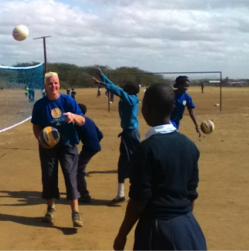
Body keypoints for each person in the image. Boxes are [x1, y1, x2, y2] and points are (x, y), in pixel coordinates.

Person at [113, 83, 207, 251]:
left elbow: (138, 200)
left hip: (157, 231)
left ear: (146, 109)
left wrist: (122, 234)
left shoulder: (146, 149)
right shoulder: (190, 145)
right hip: (190, 229)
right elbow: (191, 194)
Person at [31, 72, 85, 227]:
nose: (53, 86)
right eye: (49, 84)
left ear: (59, 84)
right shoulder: (40, 105)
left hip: (67, 145)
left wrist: (74, 117)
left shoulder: (68, 101)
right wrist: (42, 140)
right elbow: (36, 127)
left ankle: (75, 213)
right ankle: (50, 209)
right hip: (48, 148)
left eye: (55, 83)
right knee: (49, 177)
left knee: (70, 176)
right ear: (45, 86)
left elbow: (82, 121)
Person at [92, 68, 140, 205]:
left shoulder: (130, 100)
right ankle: (124, 192)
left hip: (129, 135)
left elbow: (117, 91)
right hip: (131, 133)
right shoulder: (132, 97)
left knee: (125, 163)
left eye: (125, 88)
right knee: (131, 162)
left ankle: (122, 194)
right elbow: (116, 87)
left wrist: (102, 83)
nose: (122, 88)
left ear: (129, 91)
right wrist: (102, 76)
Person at [75, 103, 103, 203]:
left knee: (79, 170)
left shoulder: (78, 122)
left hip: (89, 147)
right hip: (93, 146)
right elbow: (100, 135)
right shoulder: (89, 120)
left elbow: (76, 139)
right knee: (78, 165)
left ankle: (85, 195)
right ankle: (77, 189)